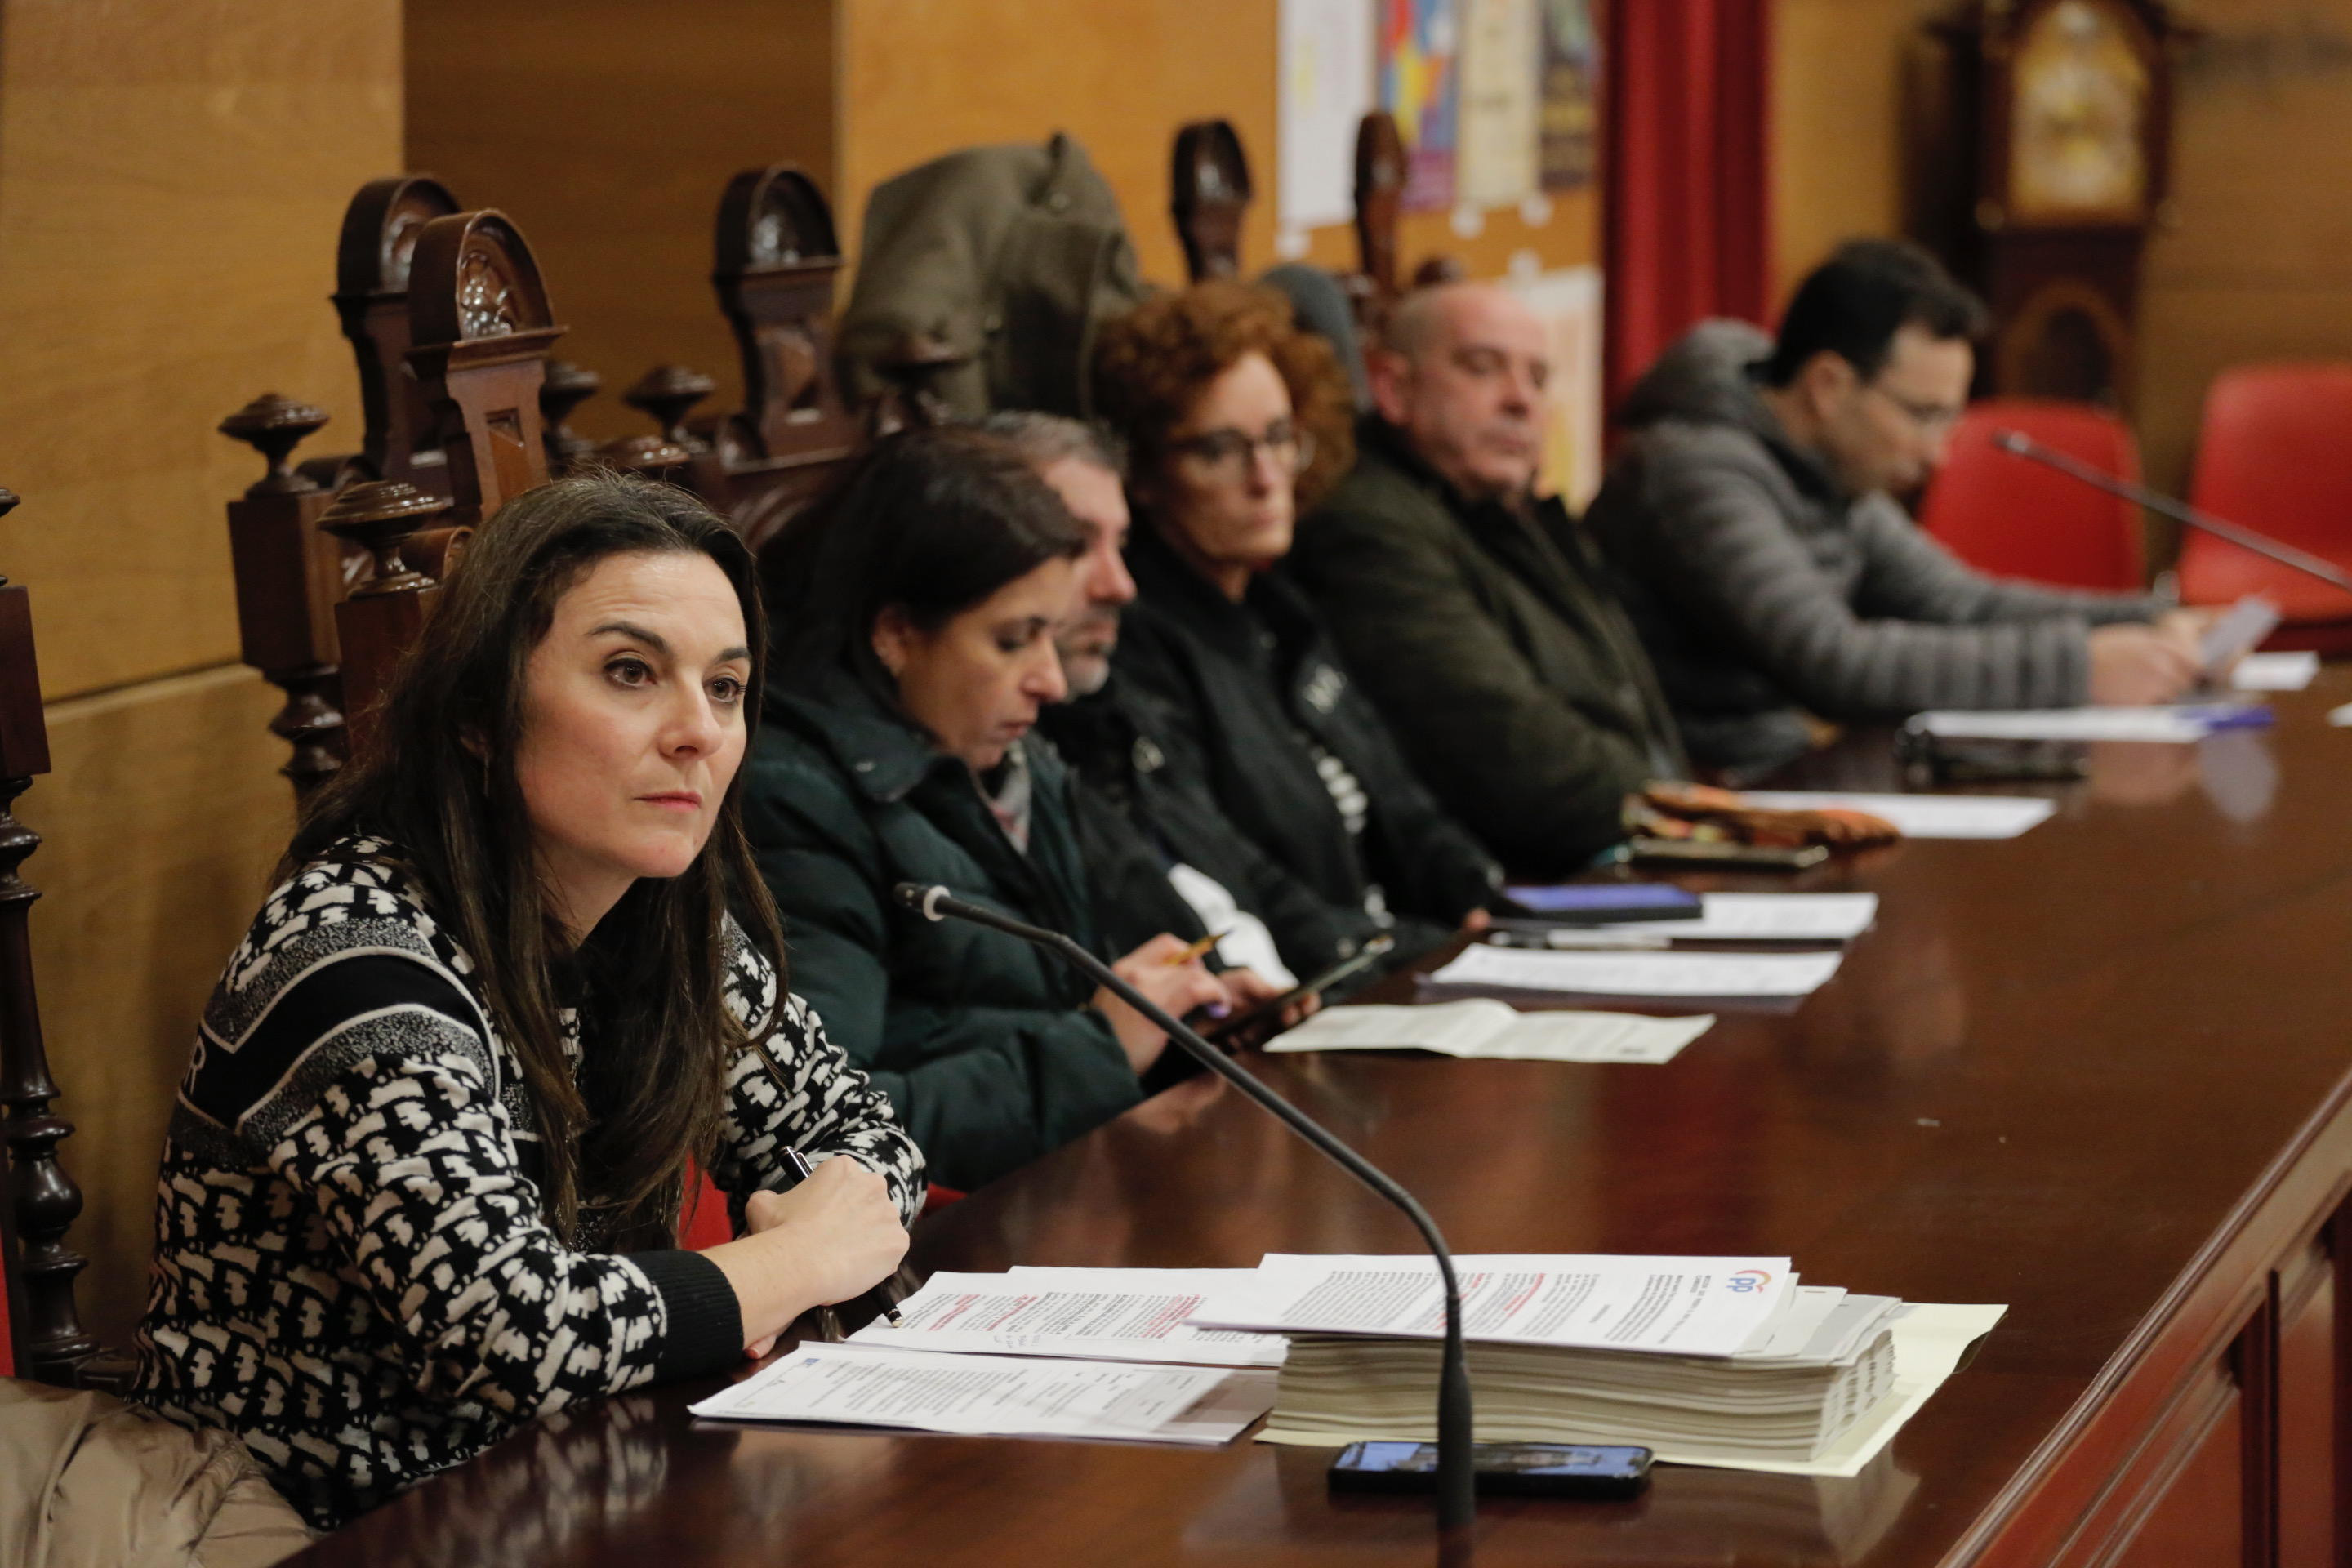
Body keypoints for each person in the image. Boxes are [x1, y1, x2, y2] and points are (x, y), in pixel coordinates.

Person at [132, 473, 922, 1530]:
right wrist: (799, 1257)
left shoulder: (656, 907)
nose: (698, 731)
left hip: (586, 1482)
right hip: (330, 1523)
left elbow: (858, 1135)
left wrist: (829, 1207)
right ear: (477, 712)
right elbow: (512, 1332)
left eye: (726, 687)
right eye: (632, 673)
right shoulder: (352, 961)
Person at [743, 426, 1272, 1192]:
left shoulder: (1003, 756)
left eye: (1051, 639)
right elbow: (819, 1141)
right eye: (1014, 641)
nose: (1051, 683)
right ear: (895, 633)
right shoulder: (792, 800)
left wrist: (1177, 1027)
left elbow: (1040, 1005)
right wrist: (1101, 1050)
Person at [1585, 238, 2204, 778]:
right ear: (1828, 386)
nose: (1940, 456)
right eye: (1922, 416)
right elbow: (1835, 662)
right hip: (1693, 790)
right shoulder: (1694, 468)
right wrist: (2077, 668)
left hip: (1778, 766)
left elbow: (1958, 604)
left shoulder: (1827, 464)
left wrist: (2156, 622)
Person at [1092, 281, 1503, 956]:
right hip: (1323, 986)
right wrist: (1413, 950)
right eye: (1220, 450)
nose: (1265, 476)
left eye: (1280, 438)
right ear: (1144, 472)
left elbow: (1405, 808)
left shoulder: (1281, 613)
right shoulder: (1136, 646)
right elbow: (1238, 882)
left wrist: (1487, 904)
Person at [1288, 281, 1686, 879]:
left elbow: (1624, 702)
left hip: (1634, 842)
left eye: (1537, 379)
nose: (1521, 401)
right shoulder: (1369, 525)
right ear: (1394, 388)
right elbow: (1522, 764)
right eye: (1483, 368)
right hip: (1531, 880)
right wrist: (1688, 815)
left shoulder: (1507, 511)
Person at [982, 410, 1389, 986]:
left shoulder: (1117, 713)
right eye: (1072, 547)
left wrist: (1378, 956)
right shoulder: (1018, 754)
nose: (1118, 585)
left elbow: (1243, 873)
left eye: (1117, 545)